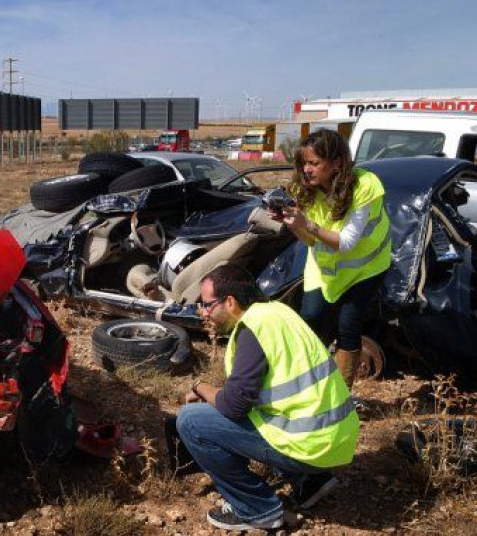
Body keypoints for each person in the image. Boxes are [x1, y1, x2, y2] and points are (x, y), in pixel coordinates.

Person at [166, 265, 359, 532]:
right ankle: (311, 481)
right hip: (335, 438)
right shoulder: (278, 312)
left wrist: (200, 387)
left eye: (208, 305)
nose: (204, 313)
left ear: (230, 302)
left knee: (190, 420)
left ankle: (258, 509)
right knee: (239, 409)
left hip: (308, 444)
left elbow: (233, 406)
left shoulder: (253, 329)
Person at [278, 129, 391, 389]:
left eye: (314, 163)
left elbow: (347, 243)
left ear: (337, 163)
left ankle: (340, 397)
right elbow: (309, 241)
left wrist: (309, 224)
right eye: (304, 163)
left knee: (348, 324)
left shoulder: (365, 186)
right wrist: (295, 225)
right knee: (311, 317)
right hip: (326, 265)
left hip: (366, 266)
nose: (307, 169)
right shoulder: (304, 188)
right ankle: (305, 385)